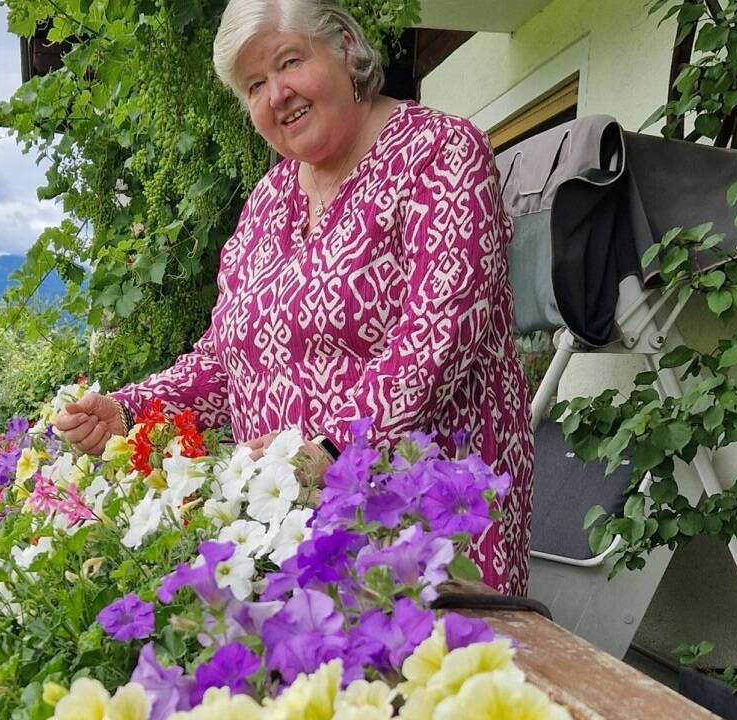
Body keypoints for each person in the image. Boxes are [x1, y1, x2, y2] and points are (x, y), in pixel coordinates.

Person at [55, 0, 534, 594]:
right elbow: (222, 360)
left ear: (344, 48)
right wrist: (130, 412)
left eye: (289, 62)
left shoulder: (441, 153)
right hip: (286, 538)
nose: (277, 94)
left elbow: (440, 332)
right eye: (255, 85)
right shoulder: (265, 202)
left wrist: (332, 451)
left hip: (421, 522)